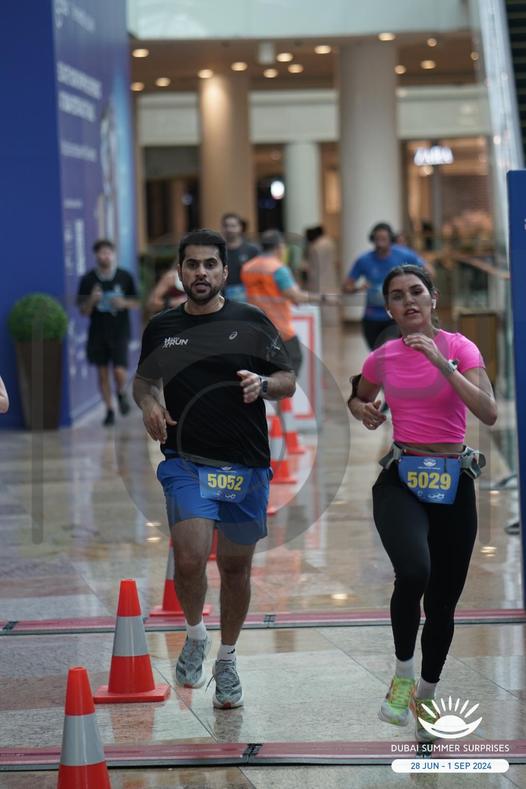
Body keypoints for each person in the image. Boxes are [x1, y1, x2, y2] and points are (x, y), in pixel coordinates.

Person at [133, 228, 295, 709]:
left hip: (246, 462)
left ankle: (226, 658)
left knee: (236, 567)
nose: (200, 273)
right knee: (189, 557)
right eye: (192, 264)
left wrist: (263, 384)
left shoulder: (251, 320)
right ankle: (195, 632)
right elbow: (144, 382)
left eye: (209, 265)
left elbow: (287, 379)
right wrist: (150, 404)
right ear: (179, 272)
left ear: (225, 271)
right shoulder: (162, 327)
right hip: (186, 460)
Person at [347, 264, 497, 742]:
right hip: (402, 478)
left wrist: (441, 362)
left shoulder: (460, 347)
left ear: (433, 298)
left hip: (454, 481)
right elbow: (358, 396)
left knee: (443, 601)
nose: (408, 301)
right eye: (397, 296)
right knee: (413, 572)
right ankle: (403, 677)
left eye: (416, 292)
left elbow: (488, 412)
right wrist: (365, 410)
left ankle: (427, 694)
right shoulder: (383, 357)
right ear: (389, 308)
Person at [241, 229, 325, 375]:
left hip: (256, 328)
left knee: (264, 369)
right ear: (279, 247)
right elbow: (296, 296)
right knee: (291, 367)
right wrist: (321, 298)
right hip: (280, 329)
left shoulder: (248, 267)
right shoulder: (278, 269)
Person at [77, 239, 140, 426]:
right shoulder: (88, 280)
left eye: (108, 252)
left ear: (113, 254)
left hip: (120, 330)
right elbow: (83, 311)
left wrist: (123, 303)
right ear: (96, 256)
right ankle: (109, 410)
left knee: (119, 370)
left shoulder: (124, 276)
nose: (105, 256)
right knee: (102, 373)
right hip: (98, 331)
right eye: (101, 253)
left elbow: (136, 301)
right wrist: (92, 300)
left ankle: (121, 392)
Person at [343, 222, 423, 350]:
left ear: (391, 240)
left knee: (392, 351)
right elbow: (346, 287)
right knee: (377, 354)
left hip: (396, 316)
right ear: (372, 240)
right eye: (377, 239)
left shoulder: (404, 255)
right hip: (371, 317)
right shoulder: (364, 260)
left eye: (384, 239)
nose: (380, 243)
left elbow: (428, 272)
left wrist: (412, 288)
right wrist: (358, 288)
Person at [221, 213, 260, 302]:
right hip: (223, 297)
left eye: (233, 226)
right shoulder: (217, 250)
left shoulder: (252, 250)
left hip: (249, 297)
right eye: (226, 226)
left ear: (240, 228)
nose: (229, 229)